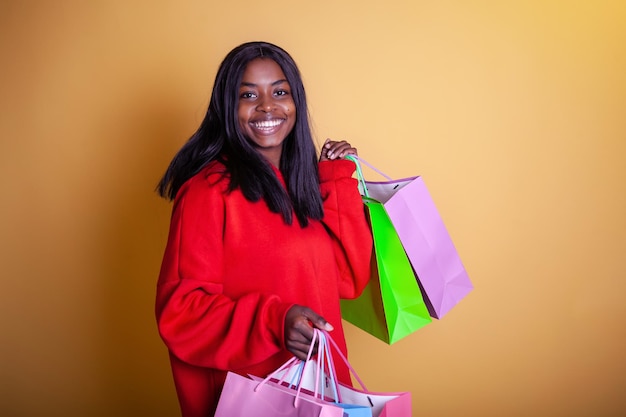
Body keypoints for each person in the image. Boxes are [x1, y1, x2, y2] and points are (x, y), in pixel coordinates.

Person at [155, 41, 373, 417]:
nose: (267, 106)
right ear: (228, 106)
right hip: (255, 401)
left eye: (280, 91)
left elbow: (347, 280)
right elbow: (181, 313)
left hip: (320, 395)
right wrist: (275, 321)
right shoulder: (208, 191)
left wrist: (336, 180)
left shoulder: (298, 185)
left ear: (296, 102)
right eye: (248, 94)